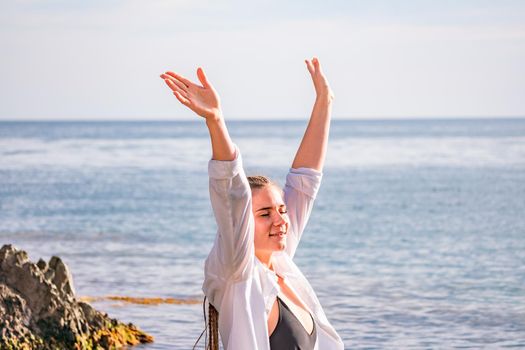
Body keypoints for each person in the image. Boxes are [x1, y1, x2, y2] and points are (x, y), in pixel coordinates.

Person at [160, 57, 343, 350]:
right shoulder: (238, 272)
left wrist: (324, 102)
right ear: (243, 224)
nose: (281, 220)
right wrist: (216, 121)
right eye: (265, 213)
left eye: (282, 210)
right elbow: (232, 194)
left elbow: (304, 182)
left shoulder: (281, 266)